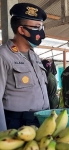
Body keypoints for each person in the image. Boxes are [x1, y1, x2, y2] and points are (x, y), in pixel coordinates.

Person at [0, 3, 50, 131]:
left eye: (42, 27)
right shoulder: (4, 55)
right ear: (21, 30)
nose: (41, 33)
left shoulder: (34, 56)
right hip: (18, 125)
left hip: (42, 121)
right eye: (37, 27)